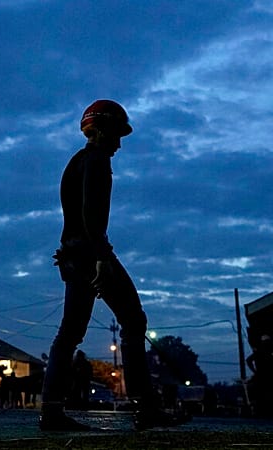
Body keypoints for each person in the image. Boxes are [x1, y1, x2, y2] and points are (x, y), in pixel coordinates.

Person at [39, 99, 190, 431]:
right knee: (133, 320)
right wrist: (102, 258)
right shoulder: (96, 161)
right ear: (102, 130)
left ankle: (51, 411)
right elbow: (92, 217)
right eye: (117, 134)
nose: (120, 143)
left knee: (70, 332)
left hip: (73, 254)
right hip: (90, 254)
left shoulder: (76, 161)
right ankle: (146, 409)